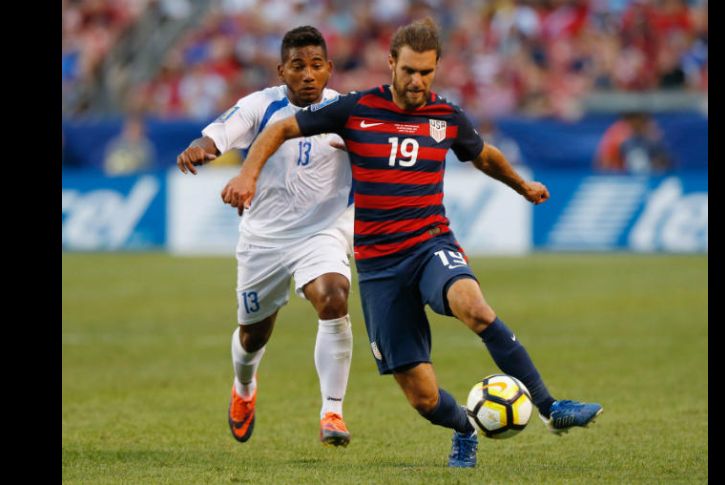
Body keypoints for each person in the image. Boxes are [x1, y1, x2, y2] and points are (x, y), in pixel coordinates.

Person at [220, 18, 603, 467]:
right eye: (409, 71)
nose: (417, 81)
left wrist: (523, 186)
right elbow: (280, 129)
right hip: (380, 267)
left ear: (436, 68)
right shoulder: (355, 110)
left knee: (474, 307)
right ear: (391, 65)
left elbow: (484, 155)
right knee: (422, 398)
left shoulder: (445, 117)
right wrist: (247, 172)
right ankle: (464, 427)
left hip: (429, 244)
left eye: (426, 72)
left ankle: (549, 407)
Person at [176, 26, 355, 447]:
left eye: (316, 66)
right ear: (281, 70)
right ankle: (244, 387)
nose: (308, 75)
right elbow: (216, 136)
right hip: (264, 240)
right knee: (253, 335)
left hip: (321, 231)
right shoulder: (259, 105)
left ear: (329, 69)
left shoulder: (348, 112)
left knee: (334, 296)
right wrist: (200, 149)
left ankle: (333, 411)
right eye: (298, 66)